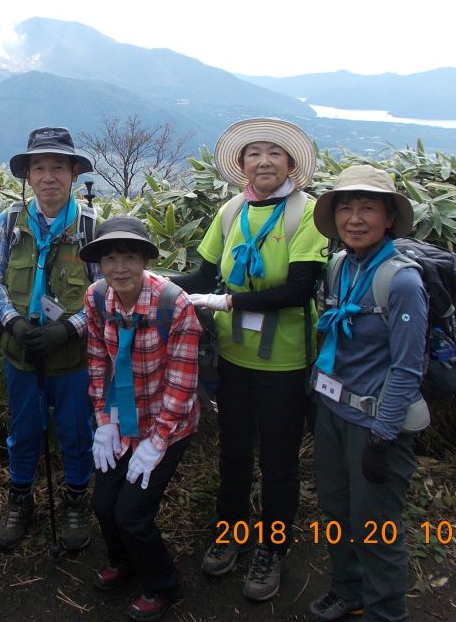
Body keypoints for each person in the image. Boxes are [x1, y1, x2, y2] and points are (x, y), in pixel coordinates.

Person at [171, 117, 327, 601]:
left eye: (274, 153)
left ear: (291, 164)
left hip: (285, 364)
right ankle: (232, 531)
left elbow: (300, 289)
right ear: (242, 164)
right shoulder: (233, 209)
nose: (263, 160)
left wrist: (229, 302)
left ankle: (272, 548)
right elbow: (203, 274)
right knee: (234, 452)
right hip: (234, 360)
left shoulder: (309, 213)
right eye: (254, 153)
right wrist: (152, 285)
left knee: (279, 462)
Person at [305, 165, 428, 622]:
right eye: (346, 208)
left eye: (368, 208)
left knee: (375, 529)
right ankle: (347, 590)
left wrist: (383, 434)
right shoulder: (339, 266)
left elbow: (408, 366)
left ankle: (386, 613)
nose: (354, 218)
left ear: (389, 217)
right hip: (334, 411)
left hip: (376, 423)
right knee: (336, 512)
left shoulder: (402, 281)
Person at [0, 126, 99, 552]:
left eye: (58, 168)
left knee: (74, 430)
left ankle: (74, 501)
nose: (48, 177)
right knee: (24, 428)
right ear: (28, 176)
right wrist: (12, 321)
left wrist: (69, 327)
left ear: (73, 174)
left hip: (72, 356)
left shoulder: (90, 227)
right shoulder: (10, 222)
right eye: (39, 168)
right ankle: (20, 499)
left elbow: (104, 295)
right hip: (21, 352)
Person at [81, 217, 201, 622]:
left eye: (129, 257)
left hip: (167, 423)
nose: (119, 268)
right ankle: (123, 560)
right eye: (109, 258)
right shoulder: (97, 298)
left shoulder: (174, 303)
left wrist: (158, 440)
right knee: (103, 503)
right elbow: (98, 358)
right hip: (121, 418)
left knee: (132, 513)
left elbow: (183, 381)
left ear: (145, 259)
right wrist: (104, 420)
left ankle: (162, 582)